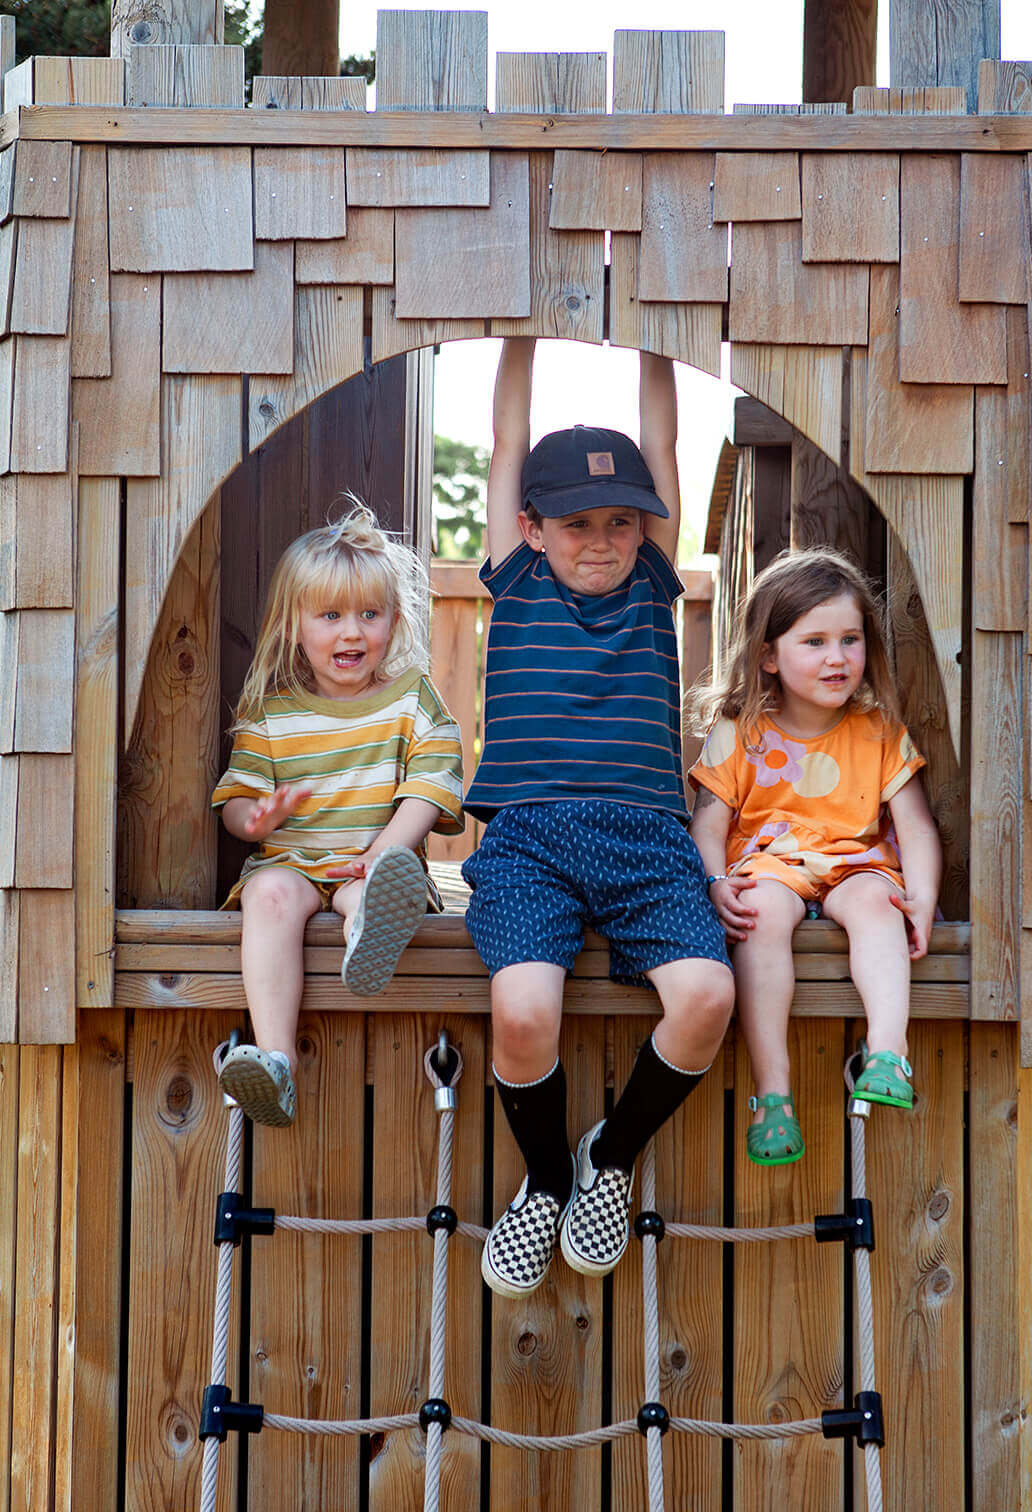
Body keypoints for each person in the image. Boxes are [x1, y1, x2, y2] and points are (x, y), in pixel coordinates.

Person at [463, 337, 735, 1298]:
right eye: (578, 521)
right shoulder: (521, 580)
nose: (602, 540)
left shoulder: (653, 589)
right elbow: (507, 441)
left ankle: (608, 1159)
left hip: (648, 842)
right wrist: (520, 337)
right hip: (530, 840)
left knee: (706, 998)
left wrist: (657, 343)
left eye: (622, 522)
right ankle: (543, 1181)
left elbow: (665, 441)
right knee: (524, 1010)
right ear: (532, 527)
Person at [212, 499, 464, 1127]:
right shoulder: (273, 714)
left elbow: (433, 781)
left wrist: (386, 849)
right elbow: (237, 802)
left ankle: (367, 939)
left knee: (373, 891)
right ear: (294, 625)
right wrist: (256, 821)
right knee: (267, 893)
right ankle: (276, 1063)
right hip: (294, 863)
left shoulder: (411, 699)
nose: (352, 632)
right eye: (330, 616)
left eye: (368, 615)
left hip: (372, 862)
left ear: (394, 620)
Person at [688, 548, 942, 1166]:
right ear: (769, 655)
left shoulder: (877, 728)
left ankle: (888, 1052)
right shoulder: (742, 729)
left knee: (879, 904)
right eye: (816, 642)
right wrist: (716, 880)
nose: (837, 658)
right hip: (769, 866)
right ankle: (773, 1093)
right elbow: (708, 824)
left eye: (850, 639)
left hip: (855, 862)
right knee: (761, 916)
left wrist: (923, 897)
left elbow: (915, 826)